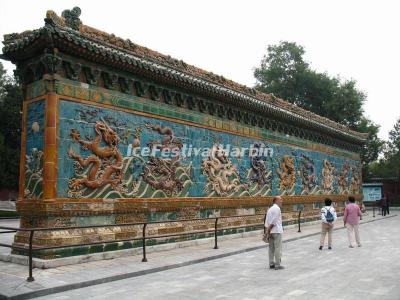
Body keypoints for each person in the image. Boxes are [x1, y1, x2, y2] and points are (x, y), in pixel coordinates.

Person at [265, 196, 284, 270]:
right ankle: (277, 265)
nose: (282, 201)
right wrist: (269, 230)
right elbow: (274, 221)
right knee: (277, 248)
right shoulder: (277, 208)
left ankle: (271, 264)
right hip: (276, 231)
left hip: (271, 232)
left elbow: (267, 221)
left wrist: (267, 230)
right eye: (280, 200)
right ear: (276, 200)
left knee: (271, 248)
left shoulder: (269, 209)